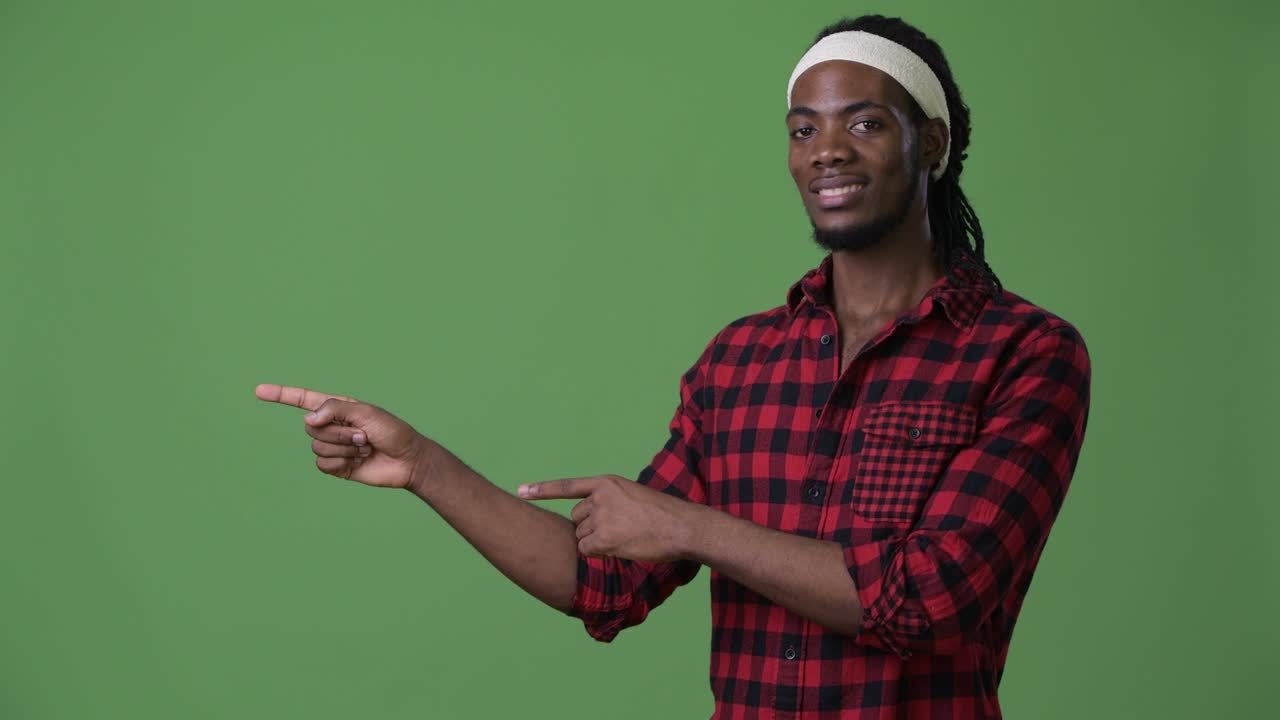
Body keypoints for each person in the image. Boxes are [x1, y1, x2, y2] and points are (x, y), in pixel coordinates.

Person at [255, 14, 1091, 720]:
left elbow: (932, 598)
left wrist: (692, 526)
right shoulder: (741, 361)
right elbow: (603, 583)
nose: (826, 151)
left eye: (864, 123)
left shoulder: (1027, 354)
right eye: (803, 129)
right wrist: (424, 467)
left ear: (932, 143)